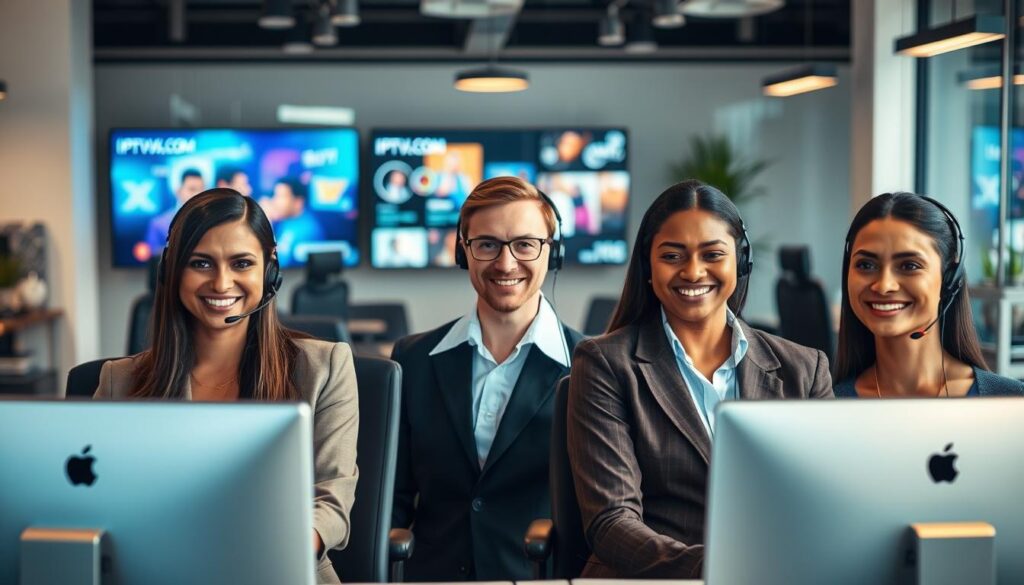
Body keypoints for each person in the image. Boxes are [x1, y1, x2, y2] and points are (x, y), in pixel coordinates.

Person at [567, 179, 833, 579]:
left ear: (740, 262)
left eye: (712, 254)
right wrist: (725, 569)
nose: (693, 271)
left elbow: (824, 501)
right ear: (648, 266)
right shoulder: (606, 363)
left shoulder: (805, 369)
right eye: (673, 255)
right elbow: (612, 522)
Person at [94, 189, 358, 584]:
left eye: (241, 263)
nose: (221, 283)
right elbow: (93, 501)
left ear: (269, 272)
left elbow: (331, 499)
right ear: (171, 270)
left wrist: (278, 549)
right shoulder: (120, 382)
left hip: (280, 570)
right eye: (201, 263)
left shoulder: (325, 367)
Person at [390, 176, 585, 581]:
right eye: (487, 244)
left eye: (525, 244)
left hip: (536, 576)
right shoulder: (414, 359)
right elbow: (392, 498)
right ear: (464, 253)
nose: (506, 262)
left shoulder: (589, 367)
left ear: (554, 252)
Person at [833, 192, 1024, 397]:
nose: (884, 285)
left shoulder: (1011, 400)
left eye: (909, 265)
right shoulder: (828, 404)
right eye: (866, 264)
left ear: (949, 277)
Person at [145, 168, 206, 253]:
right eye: (192, 189)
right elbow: (153, 259)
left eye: (202, 189)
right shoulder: (158, 224)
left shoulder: (212, 221)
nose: (198, 194)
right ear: (178, 191)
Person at [269, 178, 325, 266]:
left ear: (298, 202)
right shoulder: (286, 221)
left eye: (281, 196)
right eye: (275, 195)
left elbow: (280, 265)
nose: (274, 201)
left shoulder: (307, 231)